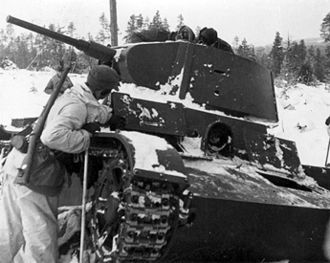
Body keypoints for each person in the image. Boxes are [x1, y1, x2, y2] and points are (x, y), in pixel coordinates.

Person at [0, 65, 122, 262]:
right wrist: (86, 135)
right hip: (37, 170)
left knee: (10, 228)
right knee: (41, 240)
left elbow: (91, 110)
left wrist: (105, 116)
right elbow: (52, 136)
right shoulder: (77, 105)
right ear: (102, 91)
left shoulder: (71, 95)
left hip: (19, 161)